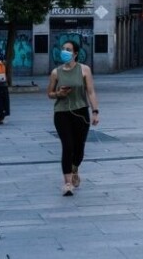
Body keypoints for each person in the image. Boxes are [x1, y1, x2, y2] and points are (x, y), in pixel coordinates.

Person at [46, 40, 99, 197]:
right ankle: (67, 183)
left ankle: (75, 167)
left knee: (79, 148)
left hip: (81, 112)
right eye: (63, 49)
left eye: (68, 49)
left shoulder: (84, 70)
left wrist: (95, 111)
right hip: (61, 113)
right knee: (67, 146)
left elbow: (91, 92)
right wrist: (59, 94)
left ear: (75, 53)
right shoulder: (56, 72)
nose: (65, 52)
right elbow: (49, 93)